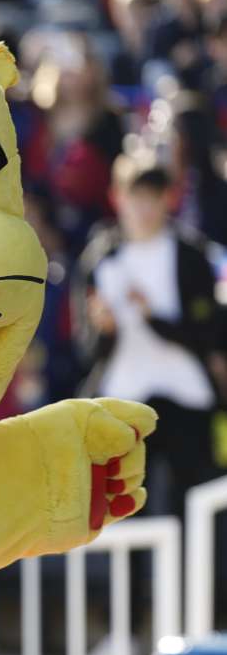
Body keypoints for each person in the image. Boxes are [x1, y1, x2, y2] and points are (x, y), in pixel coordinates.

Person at [78, 154, 221, 521]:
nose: (143, 208)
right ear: (116, 197)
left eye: (152, 197)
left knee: (193, 500)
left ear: (168, 199)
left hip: (187, 392)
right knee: (124, 502)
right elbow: (86, 345)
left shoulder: (191, 255)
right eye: (135, 196)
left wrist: (153, 318)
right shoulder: (100, 256)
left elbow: (209, 333)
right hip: (123, 394)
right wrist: (104, 329)